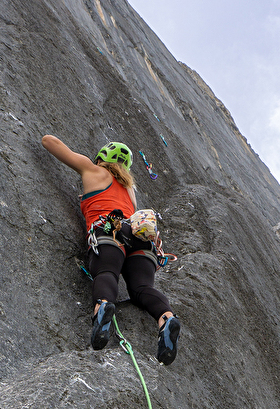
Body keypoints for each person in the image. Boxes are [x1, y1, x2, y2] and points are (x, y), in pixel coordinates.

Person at [41, 134, 181, 365]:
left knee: (106, 271)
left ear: (101, 158)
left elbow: (49, 141)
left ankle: (103, 307)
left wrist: (85, 165)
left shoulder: (94, 171)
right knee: (141, 288)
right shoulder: (129, 189)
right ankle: (166, 318)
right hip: (140, 236)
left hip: (110, 228)